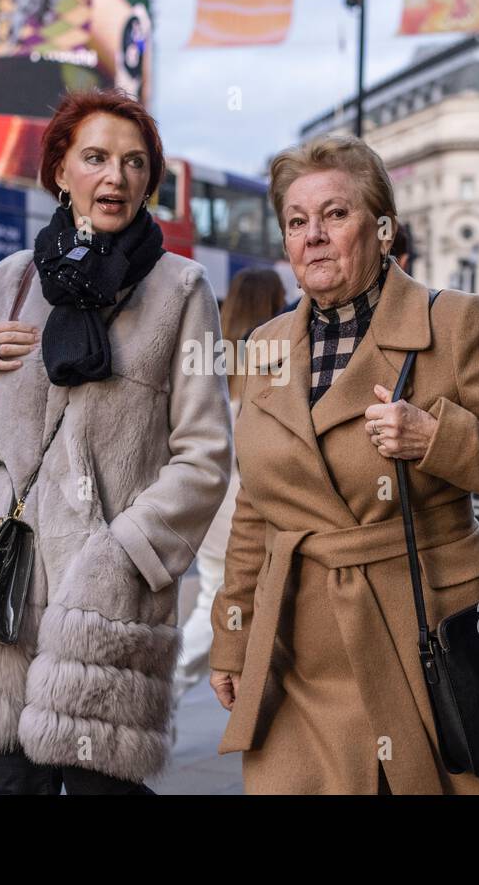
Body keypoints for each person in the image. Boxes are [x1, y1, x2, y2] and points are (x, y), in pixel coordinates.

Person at [208, 134, 479, 794]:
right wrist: (233, 635)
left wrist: (440, 438)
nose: (313, 236)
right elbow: (256, 508)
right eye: (297, 221)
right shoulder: (263, 346)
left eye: (335, 214)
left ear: (383, 229)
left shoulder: (453, 322)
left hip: (431, 640)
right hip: (303, 659)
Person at [0, 88, 232, 794]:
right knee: (13, 785)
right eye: (95, 157)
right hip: (4, 582)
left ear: (149, 180)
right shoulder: (14, 278)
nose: (114, 177)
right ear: (61, 169)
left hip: (106, 596)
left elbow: (207, 452)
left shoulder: (182, 288)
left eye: (133, 162)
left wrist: (125, 553)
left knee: (101, 788)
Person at [172, 268, 286, 710]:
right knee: (214, 603)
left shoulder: (217, 357)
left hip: (216, 503)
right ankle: (168, 685)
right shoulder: (271, 355)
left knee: (218, 599)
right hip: (245, 507)